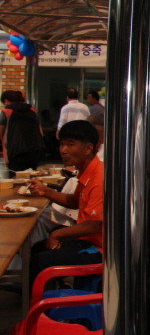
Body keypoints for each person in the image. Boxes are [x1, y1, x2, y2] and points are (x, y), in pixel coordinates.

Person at [27, 120, 103, 286]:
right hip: (87, 240)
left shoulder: (99, 177)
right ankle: (53, 292)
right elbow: (75, 201)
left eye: (70, 144)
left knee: (41, 261)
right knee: (37, 249)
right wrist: (46, 191)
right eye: (61, 144)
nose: (63, 150)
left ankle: (46, 301)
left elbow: (91, 226)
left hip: (99, 248)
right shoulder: (86, 171)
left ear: (88, 148)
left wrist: (56, 235)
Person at [0, 90, 44, 172]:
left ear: (5, 101)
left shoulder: (6, 112)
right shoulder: (33, 111)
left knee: (16, 177)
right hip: (34, 150)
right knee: (32, 176)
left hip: (14, 152)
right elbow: (40, 132)